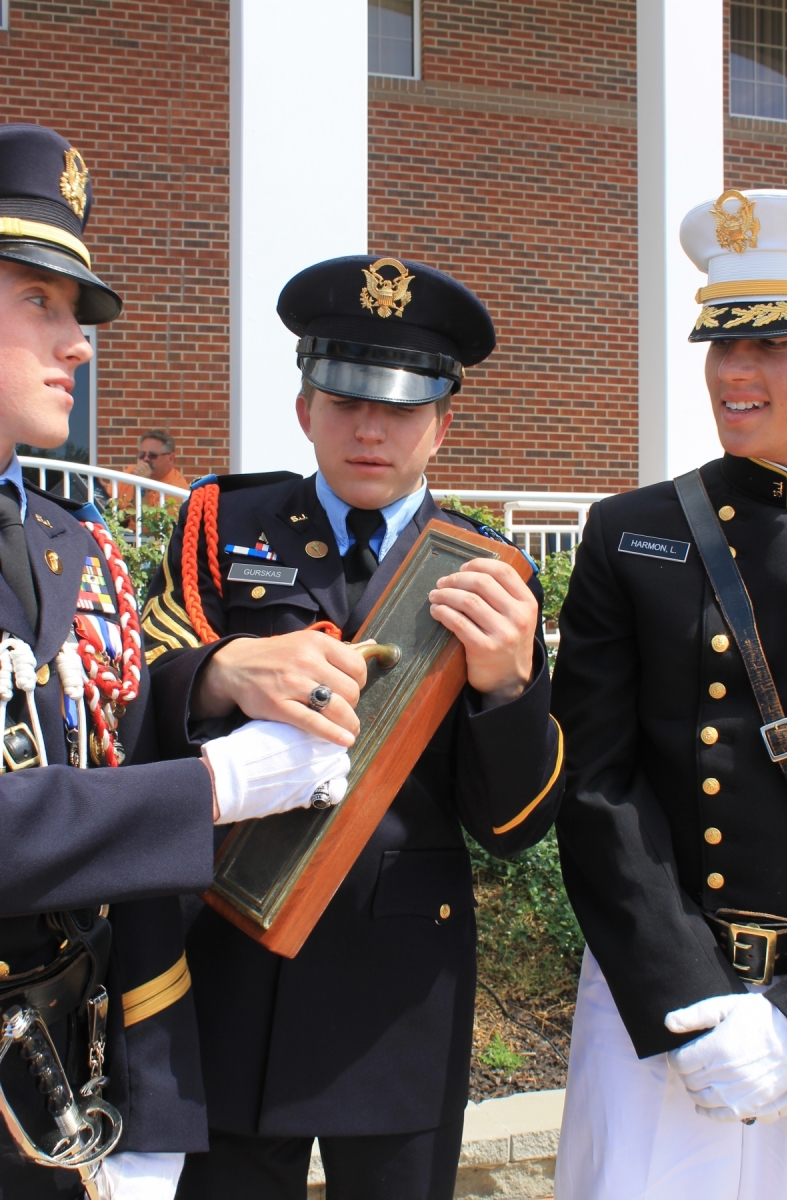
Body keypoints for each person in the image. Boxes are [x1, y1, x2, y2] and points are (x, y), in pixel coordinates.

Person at [143, 253, 565, 1200]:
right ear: (305, 409)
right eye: (344, 401)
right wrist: (219, 672)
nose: (370, 429)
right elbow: (136, 712)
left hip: (397, 991)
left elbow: (512, 826)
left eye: (403, 409)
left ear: (442, 424)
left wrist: (508, 688)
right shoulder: (223, 524)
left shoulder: (488, 572)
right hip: (233, 959)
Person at [0, 124, 351, 1200]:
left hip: (55, 1077)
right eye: (39, 301)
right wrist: (217, 786)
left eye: (78, 311)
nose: (79, 345)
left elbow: (93, 748)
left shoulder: (66, 537)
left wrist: (209, 677)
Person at [552, 187, 787, 1200]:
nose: (734, 372)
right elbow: (595, 784)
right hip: (661, 1004)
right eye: (720, 343)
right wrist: (686, 996)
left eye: (772, 344)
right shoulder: (633, 531)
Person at [115, 430, 189, 514]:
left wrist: (142, 484)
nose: (145, 459)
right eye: (142, 454)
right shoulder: (132, 471)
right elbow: (109, 498)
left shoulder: (176, 490)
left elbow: (144, 521)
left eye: (152, 455)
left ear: (170, 458)